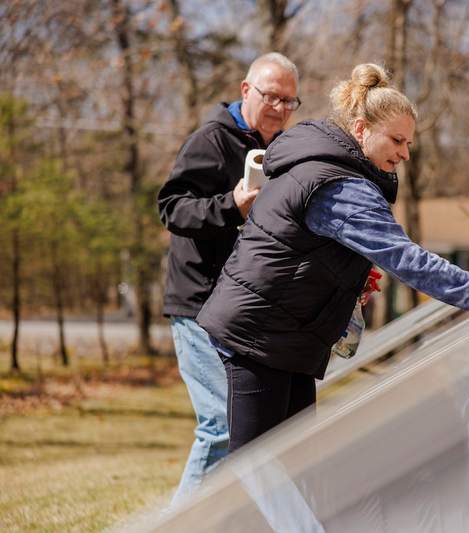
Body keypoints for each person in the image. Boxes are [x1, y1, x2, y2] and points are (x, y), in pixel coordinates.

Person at [196, 63, 469, 452]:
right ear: (360, 130)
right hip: (257, 334)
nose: (404, 154)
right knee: (258, 470)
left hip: (283, 339)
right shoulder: (338, 184)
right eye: (396, 140)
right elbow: (406, 258)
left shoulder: (327, 169)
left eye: (409, 143)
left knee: (292, 463)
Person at [157, 52, 301, 503]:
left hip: (239, 309)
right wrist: (229, 206)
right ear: (246, 91)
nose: (279, 108)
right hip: (197, 304)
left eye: (290, 101)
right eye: (271, 96)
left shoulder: (277, 151)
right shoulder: (212, 141)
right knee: (221, 425)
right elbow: (171, 208)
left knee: (245, 428)